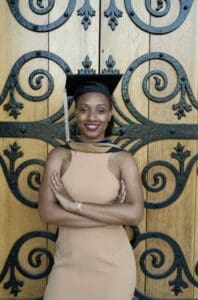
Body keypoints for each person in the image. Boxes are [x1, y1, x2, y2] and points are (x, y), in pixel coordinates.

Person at [38, 73, 144, 300]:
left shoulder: (122, 160)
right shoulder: (60, 156)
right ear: (75, 112)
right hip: (68, 266)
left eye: (101, 110)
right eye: (84, 109)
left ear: (110, 114)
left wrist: (72, 205)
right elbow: (47, 212)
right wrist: (112, 214)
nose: (92, 117)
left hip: (113, 269)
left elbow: (134, 214)